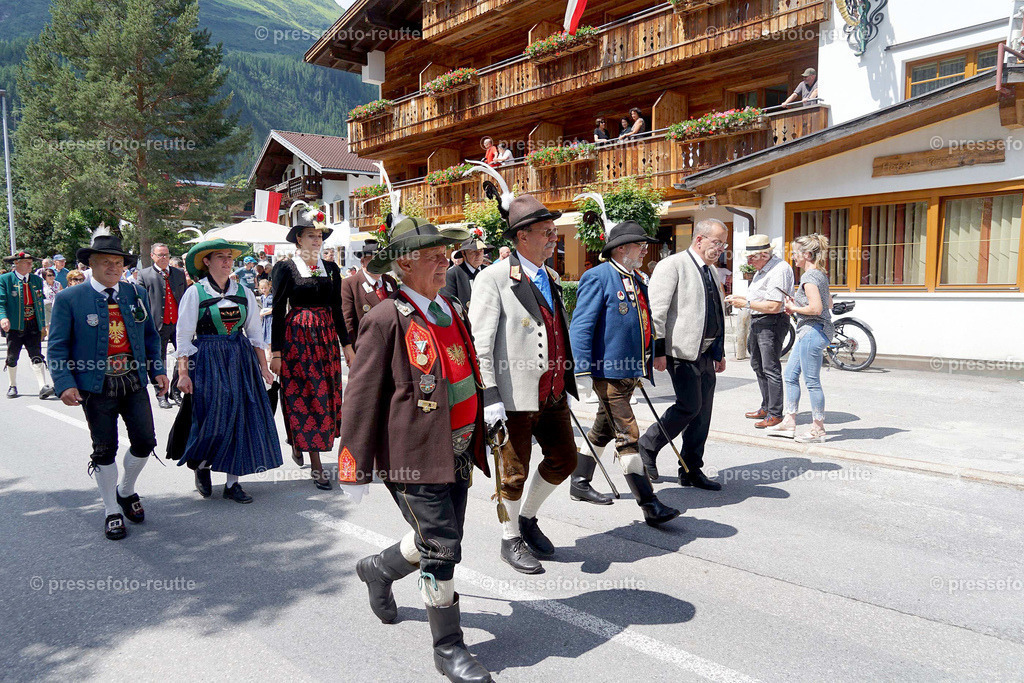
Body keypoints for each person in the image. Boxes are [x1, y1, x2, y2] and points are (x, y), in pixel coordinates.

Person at [338, 216, 493, 683]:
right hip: (414, 454)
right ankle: (448, 647)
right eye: (432, 256)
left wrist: (490, 410)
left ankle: (378, 569)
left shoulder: (451, 307)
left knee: (441, 538)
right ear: (404, 264)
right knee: (443, 545)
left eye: (445, 255)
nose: (444, 262)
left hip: (458, 448)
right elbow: (361, 395)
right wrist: (353, 467)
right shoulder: (385, 317)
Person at [470, 181, 579, 575]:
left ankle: (527, 519)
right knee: (512, 471)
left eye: (553, 231)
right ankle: (509, 537)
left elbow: (556, 332)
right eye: (547, 232)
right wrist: (490, 396)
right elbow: (480, 345)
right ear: (522, 236)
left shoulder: (549, 275)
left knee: (565, 459)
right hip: (512, 395)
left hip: (550, 392)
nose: (554, 237)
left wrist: (565, 383)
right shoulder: (494, 278)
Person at [47, 231, 169, 539]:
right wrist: (63, 383)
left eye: (118, 262)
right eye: (106, 262)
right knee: (104, 449)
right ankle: (111, 510)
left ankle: (125, 491)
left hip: (133, 380)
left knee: (145, 442)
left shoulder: (134, 294)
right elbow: (58, 346)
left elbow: (150, 337)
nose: (113, 268)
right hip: (93, 384)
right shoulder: (68, 298)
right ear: (91, 264)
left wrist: (158, 370)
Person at [568, 215, 680, 526]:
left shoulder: (636, 278)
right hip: (608, 373)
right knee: (628, 434)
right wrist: (581, 372)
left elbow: (645, 324)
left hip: (629, 371)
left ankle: (579, 482)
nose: (645, 250)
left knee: (602, 430)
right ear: (621, 249)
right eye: (640, 245)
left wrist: (649, 357)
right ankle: (649, 503)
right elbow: (581, 327)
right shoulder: (599, 277)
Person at [172, 238, 282, 503]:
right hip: (208, 358)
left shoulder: (243, 292)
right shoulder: (195, 292)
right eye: (220, 256)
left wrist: (264, 368)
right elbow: (184, 335)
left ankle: (233, 483)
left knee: (241, 417)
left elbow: (255, 332)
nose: (226, 261)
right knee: (212, 416)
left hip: (240, 357)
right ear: (206, 262)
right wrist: (184, 373)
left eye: (229, 257)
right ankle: (201, 464)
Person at [638, 219, 728, 490]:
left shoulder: (710, 271)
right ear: (699, 239)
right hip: (680, 351)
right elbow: (657, 311)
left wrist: (718, 351)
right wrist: (659, 350)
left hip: (705, 352)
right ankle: (648, 445)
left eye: (723, 244)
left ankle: (691, 469)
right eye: (716, 243)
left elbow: (716, 313)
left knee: (702, 413)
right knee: (689, 406)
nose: (720, 249)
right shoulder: (673, 265)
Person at [271, 205, 354, 489]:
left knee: (325, 395)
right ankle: (316, 464)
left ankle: (300, 441)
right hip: (297, 339)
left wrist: (347, 346)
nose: (317, 241)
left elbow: (337, 308)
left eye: (319, 236)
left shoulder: (331, 269)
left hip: (326, 339)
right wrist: (277, 352)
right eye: (310, 236)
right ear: (299, 240)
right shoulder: (285, 267)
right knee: (304, 394)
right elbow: (278, 308)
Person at [769, 234, 833, 444]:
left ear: (806, 254)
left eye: (795, 253)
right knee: (790, 375)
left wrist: (793, 307)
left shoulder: (808, 277)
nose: (793, 257)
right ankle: (789, 421)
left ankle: (818, 429)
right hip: (814, 330)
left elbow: (816, 308)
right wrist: (797, 302)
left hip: (812, 331)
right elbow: (829, 303)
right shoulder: (819, 274)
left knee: (812, 382)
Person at [726, 234, 794, 429]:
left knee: (770, 368)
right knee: (758, 364)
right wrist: (742, 298)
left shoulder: (779, 269)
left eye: (752, 257)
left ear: (765, 254)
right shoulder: (763, 269)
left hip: (771, 321)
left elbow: (773, 306)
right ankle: (767, 406)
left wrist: (745, 303)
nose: (748, 261)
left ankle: (775, 413)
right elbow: (761, 297)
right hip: (760, 320)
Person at [139, 243, 187, 409]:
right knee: (158, 360)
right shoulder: (145, 275)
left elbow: (185, 298)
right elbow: (141, 303)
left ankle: (175, 390)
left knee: (184, 357)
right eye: (160, 255)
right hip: (157, 324)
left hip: (178, 323)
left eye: (166, 254)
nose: (164, 258)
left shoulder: (179, 274)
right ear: (152, 256)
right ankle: (161, 394)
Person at [0, 252, 54, 399]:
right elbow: (1, 302)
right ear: (16, 263)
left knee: (36, 354)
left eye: (31, 262)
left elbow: (40, 305)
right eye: (27, 262)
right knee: (12, 356)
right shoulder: (5, 279)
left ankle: (43, 386)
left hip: (33, 323)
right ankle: (12, 385)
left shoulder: (36, 279)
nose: (31, 264)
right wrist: (3, 318)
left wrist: (42, 324)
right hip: (15, 324)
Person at [340, 239, 398, 343]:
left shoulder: (390, 281)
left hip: (392, 342)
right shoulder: (350, 284)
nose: (379, 264)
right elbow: (348, 321)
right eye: (374, 260)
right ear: (363, 262)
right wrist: (353, 349)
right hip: (367, 345)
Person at [441, 235, 487, 309]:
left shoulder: (488, 272)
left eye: (481, 250)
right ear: (463, 253)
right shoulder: (452, 275)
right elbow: (449, 304)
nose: (478, 255)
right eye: (473, 251)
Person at [257, 278, 273, 347]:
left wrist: (263, 313)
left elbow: (272, 309)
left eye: (265, 288)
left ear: (269, 287)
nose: (264, 290)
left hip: (270, 319)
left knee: (270, 336)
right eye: (262, 288)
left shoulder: (271, 297)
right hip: (265, 319)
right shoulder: (262, 297)